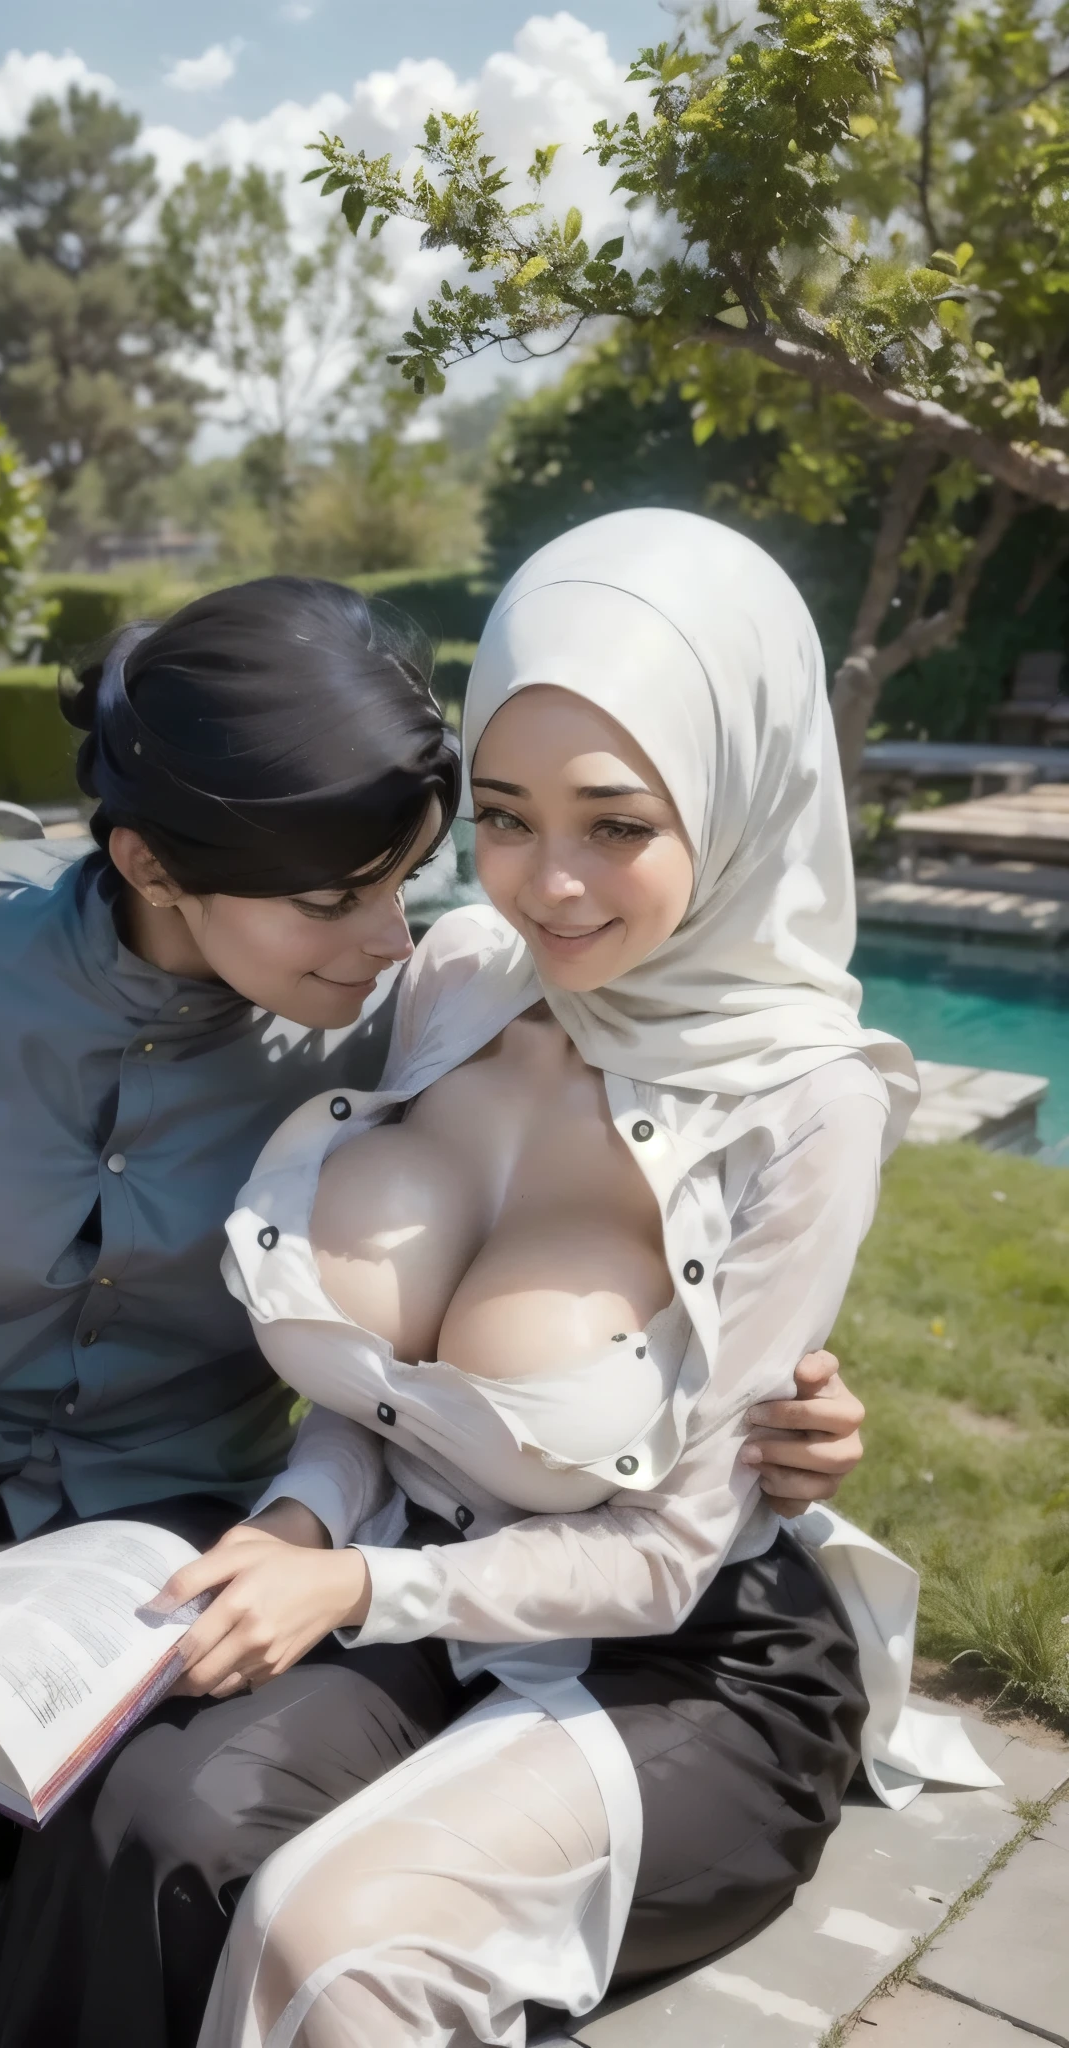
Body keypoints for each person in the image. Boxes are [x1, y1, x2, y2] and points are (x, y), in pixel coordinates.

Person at [0, 575, 861, 2048]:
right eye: (335, 898)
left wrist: (768, 1392)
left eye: (409, 878)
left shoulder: (406, 1013)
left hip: (159, 1541)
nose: (392, 934)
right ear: (151, 863)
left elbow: (606, 1236)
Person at [135, 512, 997, 2047]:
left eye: (617, 824)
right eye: (508, 816)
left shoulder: (814, 1099)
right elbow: (383, 1385)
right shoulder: (460, 973)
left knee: (331, 1948)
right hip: (414, 1591)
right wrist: (300, 1515)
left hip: (686, 1663)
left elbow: (672, 1551)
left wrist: (352, 1581)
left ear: (735, 800)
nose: (550, 884)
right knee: (150, 1823)